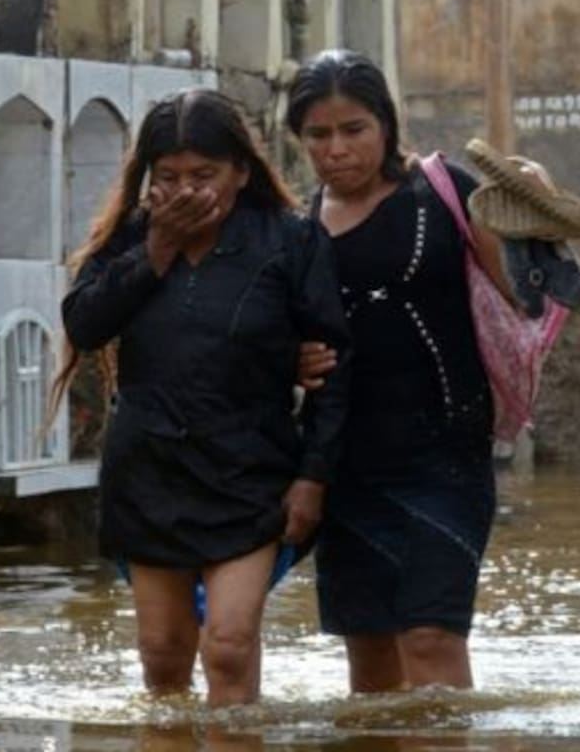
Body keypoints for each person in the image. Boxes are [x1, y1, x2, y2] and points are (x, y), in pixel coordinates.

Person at [52, 89, 350, 707]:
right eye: (170, 177)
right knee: (162, 656)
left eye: (205, 175)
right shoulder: (132, 239)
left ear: (241, 172)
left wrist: (313, 478)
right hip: (149, 472)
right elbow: (83, 325)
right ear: (148, 180)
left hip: (249, 472)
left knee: (230, 643)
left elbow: (333, 368)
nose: (187, 191)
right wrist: (156, 249)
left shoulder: (289, 242)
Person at [287, 50, 504, 692]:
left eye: (353, 130)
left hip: (447, 456)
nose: (336, 150)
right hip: (345, 464)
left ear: (384, 123)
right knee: (372, 661)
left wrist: (533, 207)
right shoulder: (294, 229)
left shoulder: (446, 193)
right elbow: (260, 332)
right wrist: (288, 357)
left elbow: (528, 296)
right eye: (317, 135)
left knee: (433, 638)